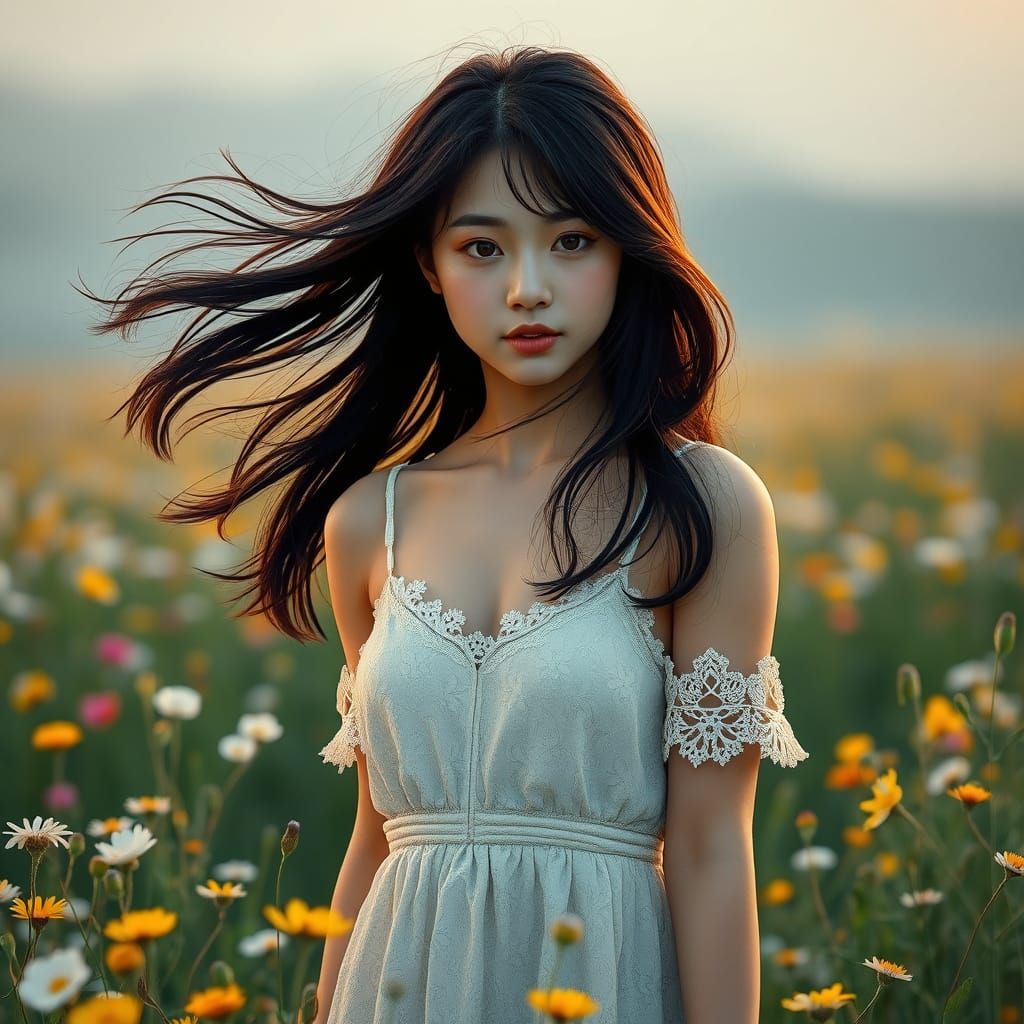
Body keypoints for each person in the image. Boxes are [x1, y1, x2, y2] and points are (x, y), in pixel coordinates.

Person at [83, 43, 809, 1024]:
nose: (525, 288)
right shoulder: (368, 521)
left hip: (600, 984)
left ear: (626, 250)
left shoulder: (702, 504)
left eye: (571, 240)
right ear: (427, 261)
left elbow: (715, 847)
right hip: (397, 982)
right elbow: (376, 839)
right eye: (482, 246)